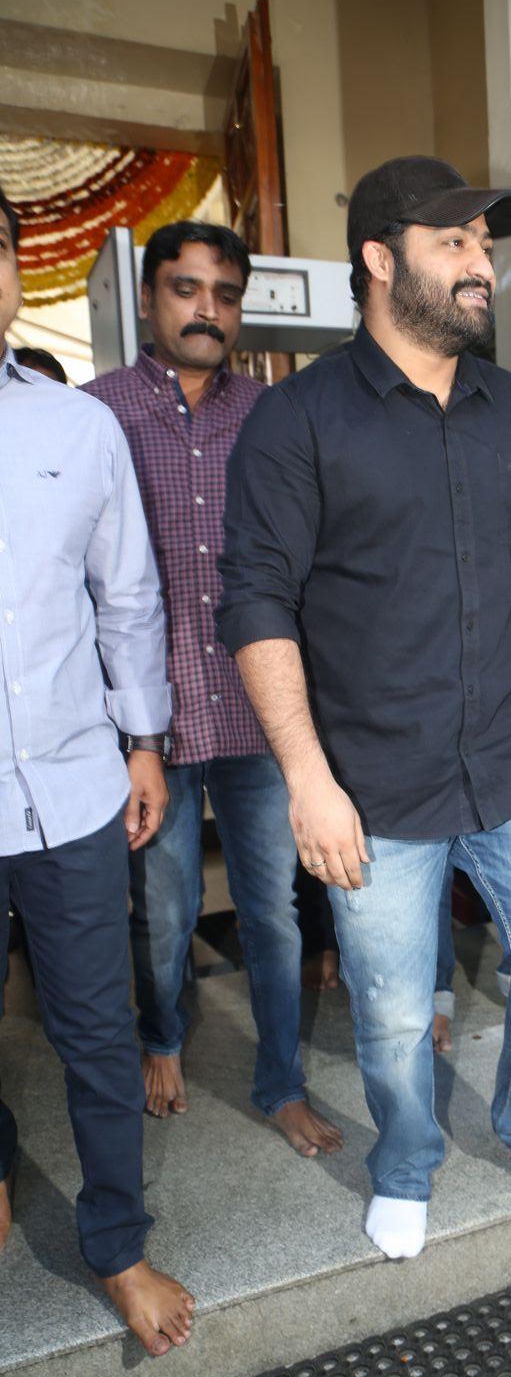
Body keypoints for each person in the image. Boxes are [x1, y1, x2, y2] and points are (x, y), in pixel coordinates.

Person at [219, 156, 511, 1261]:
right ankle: (403, 1164)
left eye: (484, 244)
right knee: (393, 1011)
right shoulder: (295, 421)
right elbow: (256, 602)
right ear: (380, 260)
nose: (481, 264)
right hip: (374, 786)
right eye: (454, 243)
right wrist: (307, 780)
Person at [83, 221, 341, 1159]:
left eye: (225, 295)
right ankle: (162, 1035)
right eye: (186, 289)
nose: (207, 310)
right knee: (164, 908)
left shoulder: (277, 412)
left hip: (255, 708)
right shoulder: (94, 413)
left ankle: (281, 1083)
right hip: (143, 718)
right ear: (148, 296)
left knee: (271, 908)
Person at [0, 187, 194, 1355]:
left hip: (71, 793)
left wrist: (144, 742)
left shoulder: (75, 430)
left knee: (97, 1035)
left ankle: (116, 1245)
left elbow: (127, 598)